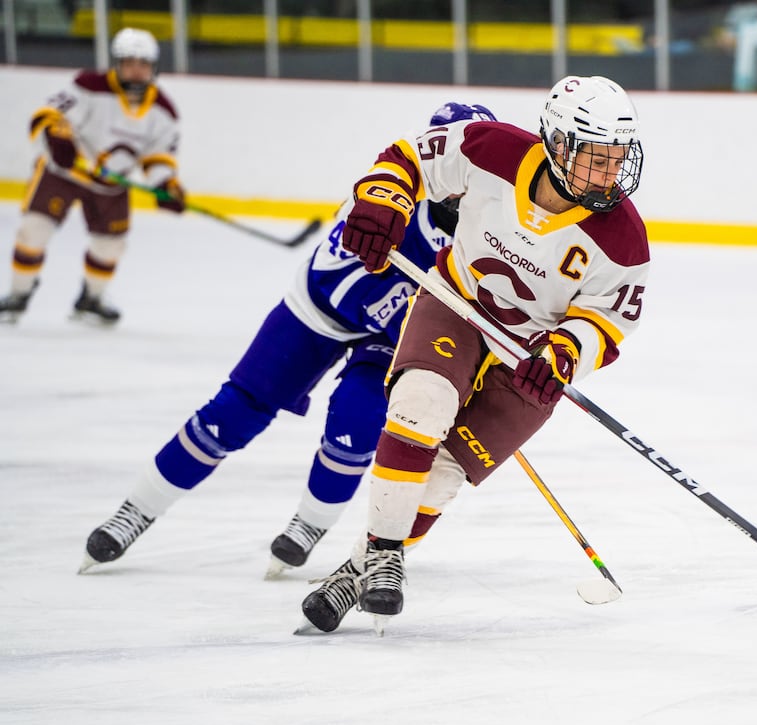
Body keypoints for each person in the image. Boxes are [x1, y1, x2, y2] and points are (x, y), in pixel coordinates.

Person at [79, 102, 499, 578]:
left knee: (357, 424)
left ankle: (309, 525)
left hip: (393, 334)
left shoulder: (486, 224)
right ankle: (136, 510)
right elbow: (342, 277)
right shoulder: (391, 189)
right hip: (319, 308)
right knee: (232, 413)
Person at [298, 75, 650, 635]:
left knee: (442, 474)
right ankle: (387, 555)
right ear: (559, 146)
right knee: (421, 403)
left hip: (530, 360)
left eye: (617, 159)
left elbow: (609, 320)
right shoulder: (492, 150)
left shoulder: (624, 239)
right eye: (597, 159)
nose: (612, 174)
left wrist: (564, 353)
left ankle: (358, 570)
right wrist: (383, 199)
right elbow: (411, 156)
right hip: (457, 304)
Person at [0, 28, 184, 326]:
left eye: (143, 64)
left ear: (153, 67)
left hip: (112, 185)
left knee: (110, 244)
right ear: (118, 63)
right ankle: (19, 293)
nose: (137, 71)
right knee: (34, 230)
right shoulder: (89, 85)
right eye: (130, 63)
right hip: (64, 172)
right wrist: (58, 139)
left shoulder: (163, 111)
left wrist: (166, 185)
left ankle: (92, 298)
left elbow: (159, 156)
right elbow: (49, 114)